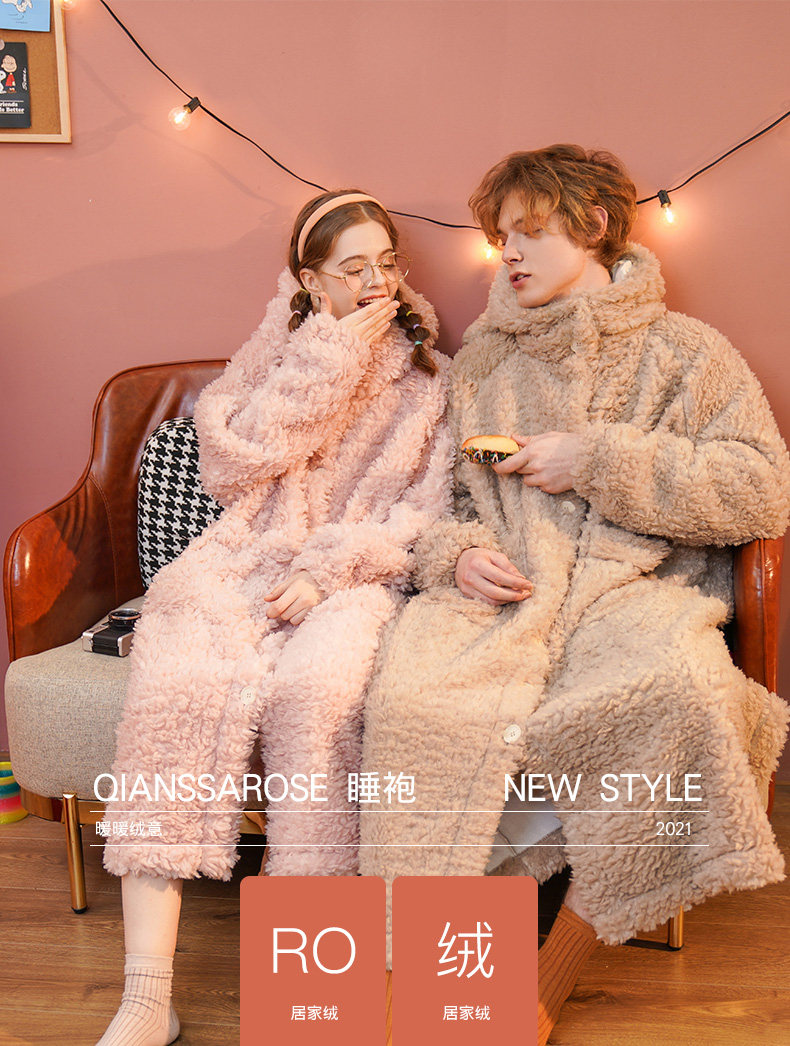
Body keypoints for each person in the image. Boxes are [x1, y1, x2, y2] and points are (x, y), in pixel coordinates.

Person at [359, 146, 790, 1045]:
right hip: (502, 598)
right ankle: (424, 981)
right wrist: (458, 557)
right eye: (499, 237)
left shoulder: (686, 353)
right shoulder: (482, 362)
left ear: (592, 226)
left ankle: (548, 979)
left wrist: (597, 460)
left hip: (635, 592)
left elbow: (761, 490)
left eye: (528, 231)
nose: (508, 253)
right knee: (414, 705)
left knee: (680, 694)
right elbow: (441, 501)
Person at [95, 190, 452, 1046]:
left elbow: (424, 514)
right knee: (174, 686)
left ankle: (314, 992)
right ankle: (146, 997)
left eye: (387, 264)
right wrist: (330, 355)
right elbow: (231, 464)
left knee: (318, 694)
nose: (377, 284)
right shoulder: (270, 358)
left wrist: (327, 572)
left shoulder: (431, 378)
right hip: (242, 562)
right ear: (309, 279)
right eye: (353, 269)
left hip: (354, 576)